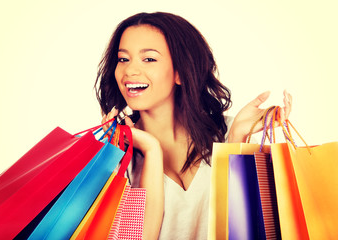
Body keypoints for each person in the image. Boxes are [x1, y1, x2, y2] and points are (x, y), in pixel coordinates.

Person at [96, 12, 292, 239]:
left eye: (149, 59)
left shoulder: (227, 134)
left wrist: (237, 139)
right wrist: (150, 149)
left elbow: (250, 229)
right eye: (123, 59)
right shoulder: (114, 156)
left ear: (180, 72)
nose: (129, 71)